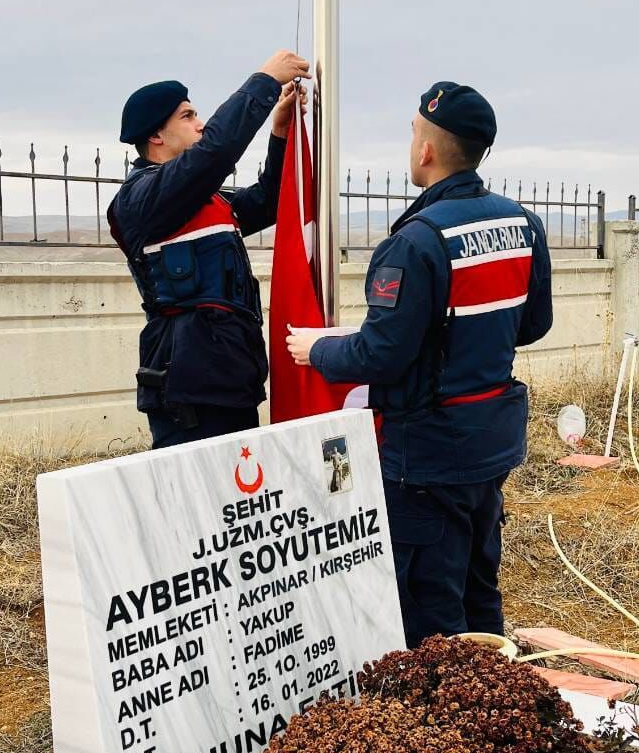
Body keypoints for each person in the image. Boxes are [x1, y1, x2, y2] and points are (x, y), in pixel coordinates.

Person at [286, 82, 552, 646]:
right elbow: (533, 324)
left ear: (427, 150)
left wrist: (318, 351)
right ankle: (495, 713)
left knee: (430, 615)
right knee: (480, 591)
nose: (412, 145)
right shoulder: (523, 224)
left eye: (413, 133)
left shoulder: (418, 241)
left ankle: (447, 724)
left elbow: (381, 353)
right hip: (490, 445)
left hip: (426, 457)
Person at [108, 51, 310, 448]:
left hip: (231, 383)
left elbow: (271, 200)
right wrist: (264, 82)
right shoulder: (140, 201)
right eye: (187, 116)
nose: (199, 124)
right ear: (155, 135)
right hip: (190, 392)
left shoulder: (206, 199)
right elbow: (213, 154)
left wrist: (280, 133)